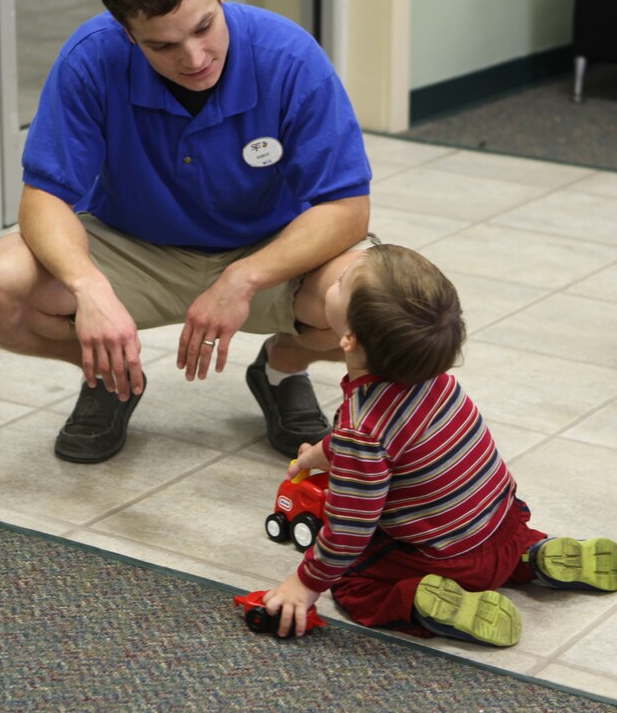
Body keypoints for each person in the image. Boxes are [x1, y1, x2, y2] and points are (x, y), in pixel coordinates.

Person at [0, 0, 375, 463]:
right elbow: (43, 198)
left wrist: (244, 276)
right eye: (162, 45)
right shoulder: (91, 57)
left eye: (205, 27)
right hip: (133, 247)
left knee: (379, 299)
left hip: (267, 253)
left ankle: (283, 367)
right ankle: (109, 375)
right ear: (126, 31)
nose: (194, 58)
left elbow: (348, 208)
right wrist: (89, 290)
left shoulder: (290, 58)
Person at [263, 244, 617, 642]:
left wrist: (304, 584)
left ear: (347, 339)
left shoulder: (363, 430)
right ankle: (531, 557)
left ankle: (423, 600)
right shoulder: (438, 383)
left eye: (341, 282)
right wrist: (320, 453)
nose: (336, 277)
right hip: (505, 526)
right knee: (489, 541)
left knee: (355, 582)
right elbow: (387, 443)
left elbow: (348, 530)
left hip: (452, 561)